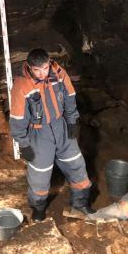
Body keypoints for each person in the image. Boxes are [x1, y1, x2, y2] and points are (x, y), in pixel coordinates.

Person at [9, 48, 95, 222]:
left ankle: (80, 204)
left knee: (77, 165)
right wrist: (23, 144)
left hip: (61, 127)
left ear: (49, 63)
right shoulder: (22, 85)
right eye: (37, 70)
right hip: (39, 133)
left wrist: (71, 121)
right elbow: (18, 118)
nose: (42, 73)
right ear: (30, 67)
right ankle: (38, 208)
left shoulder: (59, 73)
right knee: (40, 176)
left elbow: (70, 96)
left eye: (45, 68)